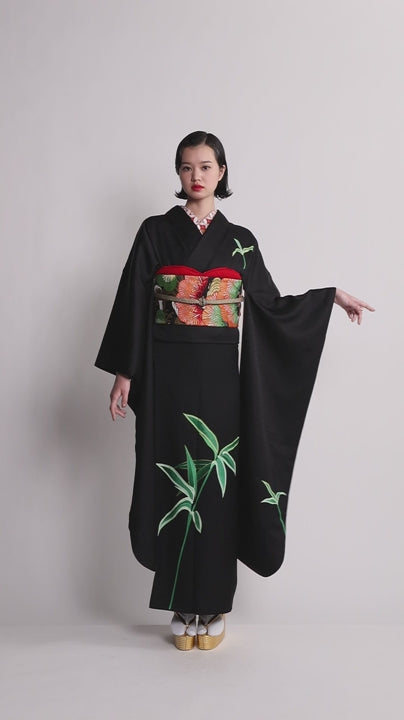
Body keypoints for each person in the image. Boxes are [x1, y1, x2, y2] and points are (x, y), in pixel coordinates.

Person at [95, 131, 374, 651]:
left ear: (221, 172)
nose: (196, 176)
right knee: (175, 480)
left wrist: (329, 297)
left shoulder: (240, 239)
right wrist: (124, 374)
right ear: (178, 173)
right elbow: (134, 299)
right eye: (186, 167)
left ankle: (215, 603)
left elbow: (269, 305)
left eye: (206, 166)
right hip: (166, 376)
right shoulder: (155, 231)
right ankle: (181, 604)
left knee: (217, 490)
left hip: (221, 378)